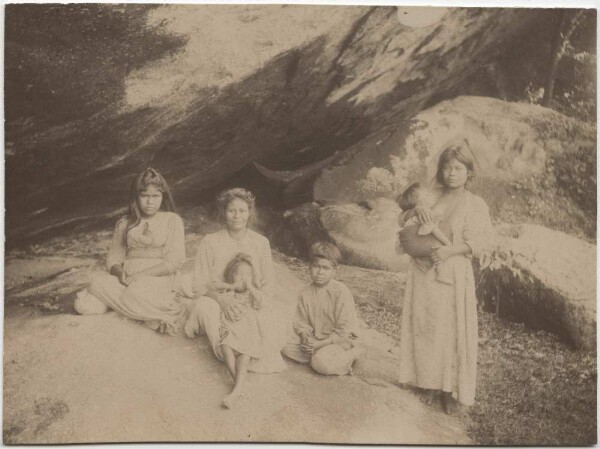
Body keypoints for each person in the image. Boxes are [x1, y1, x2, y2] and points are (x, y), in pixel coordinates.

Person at [397, 145, 494, 414]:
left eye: (458, 168)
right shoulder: (429, 196)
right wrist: (416, 210)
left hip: (453, 269)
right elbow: (402, 217)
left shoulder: (475, 204)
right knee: (426, 325)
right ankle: (427, 383)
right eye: (447, 168)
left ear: (469, 173)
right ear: (440, 171)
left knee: (450, 330)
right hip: (423, 270)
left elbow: (482, 240)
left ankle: (450, 389)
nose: (452, 173)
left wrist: (450, 250)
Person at [184, 187, 286, 373]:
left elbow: (267, 284)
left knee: (274, 323)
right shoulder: (210, 241)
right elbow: (199, 285)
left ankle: (248, 351)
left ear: (250, 213)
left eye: (242, 211)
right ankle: (228, 350)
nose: (237, 216)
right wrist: (223, 300)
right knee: (206, 308)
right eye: (231, 210)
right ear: (223, 213)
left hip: (250, 300)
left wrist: (255, 302)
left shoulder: (261, 243)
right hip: (217, 298)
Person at [74, 168, 187, 335]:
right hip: (126, 280)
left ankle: (154, 313)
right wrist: (120, 274)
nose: (150, 202)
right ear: (136, 197)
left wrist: (141, 275)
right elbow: (113, 258)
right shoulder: (124, 223)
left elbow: (174, 261)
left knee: (134, 292)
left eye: (155, 196)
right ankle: (144, 311)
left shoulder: (172, 220)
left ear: (163, 197)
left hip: (158, 279)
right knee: (97, 284)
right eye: (145, 196)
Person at [283, 242, 366, 376]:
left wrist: (318, 345)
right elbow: (301, 322)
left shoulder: (340, 291)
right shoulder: (305, 292)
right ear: (309, 267)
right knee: (283, 345)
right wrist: (304, 338)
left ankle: (356, 353)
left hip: (339, 342)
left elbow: (344, 331)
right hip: (316, 340)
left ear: (334, 270)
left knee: (322, 364)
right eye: (316, 267)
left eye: (326, 268)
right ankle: (321, 357)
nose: (320, 272)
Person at [216, 253, 268, 408]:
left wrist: (250, 286)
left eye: (248, 274)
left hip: (248, 329)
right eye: (239, 274)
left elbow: (261, 301)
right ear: (231, 276)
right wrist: (232, 286)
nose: (244, 277)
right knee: (225, 346)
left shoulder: (251, 293)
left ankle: (236, 390)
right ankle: (239, 387)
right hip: (232, 327)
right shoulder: (229, 291)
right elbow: (213, 287)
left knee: (244, 357)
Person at [396, 182, 453, 285]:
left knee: (424, 257)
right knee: (438, 247)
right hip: (417, 244)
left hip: (408, 246)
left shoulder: (406, 214)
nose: (431, 197)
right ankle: (441, 274)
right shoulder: (423, 213)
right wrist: (447, 243)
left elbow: (400, 222)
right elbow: (432, 229)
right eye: (427, 195)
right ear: (419, 200)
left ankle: (415, 274)